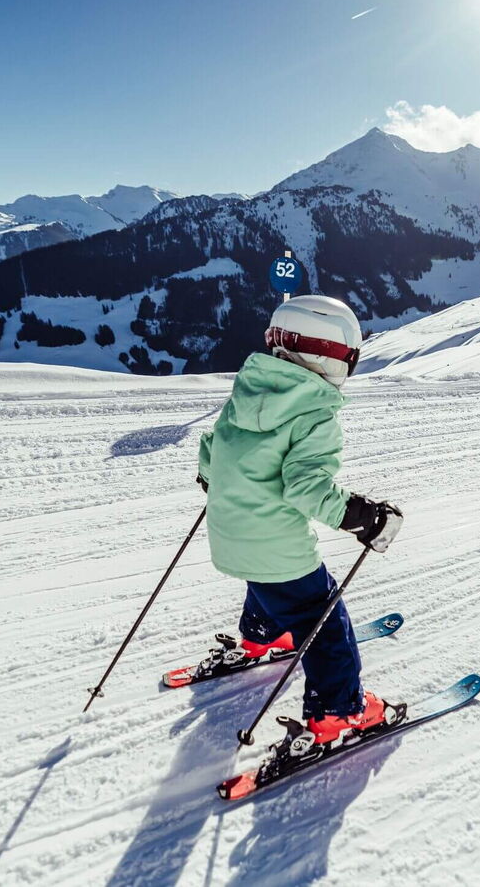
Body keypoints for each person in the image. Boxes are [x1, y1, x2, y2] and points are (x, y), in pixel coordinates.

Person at [196, 294, 403, 746]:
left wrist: (215, 481)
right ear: (330, 354)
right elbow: (305, 487)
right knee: (324, 620)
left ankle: (261, 635)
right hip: (276, 545)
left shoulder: (249, 390)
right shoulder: (315, 412)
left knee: (269, 580)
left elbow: (212, 446)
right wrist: (363, 517)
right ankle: (338, 711)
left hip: (228, 533)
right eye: (351, 355)